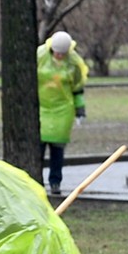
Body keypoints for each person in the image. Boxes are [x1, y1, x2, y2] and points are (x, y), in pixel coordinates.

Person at [36, 30, 88, 199]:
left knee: (57, 149)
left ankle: (55, 182)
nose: (59, 56)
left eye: (62, 53)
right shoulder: (40, 56)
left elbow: (78, 89)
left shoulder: (73, 64)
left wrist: (80, 109)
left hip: (62, 110)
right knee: (38, 148)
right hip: (40, 108)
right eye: (57, 53)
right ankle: (35, 182)